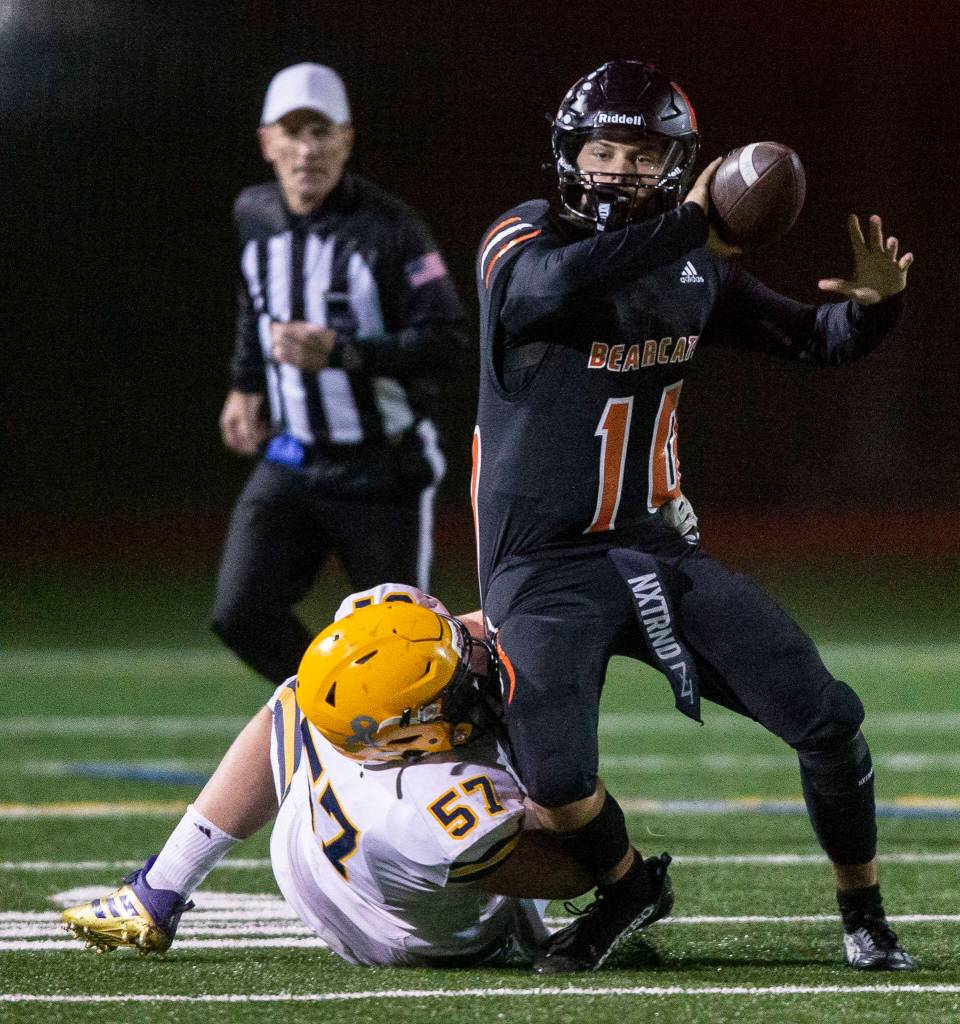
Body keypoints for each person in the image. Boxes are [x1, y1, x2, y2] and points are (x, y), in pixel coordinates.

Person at [473, 59, 915, 973]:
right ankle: (628, 887)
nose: (618, 170)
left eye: (642, 155)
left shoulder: (691, 269)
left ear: (678, 166)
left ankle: (864, 913)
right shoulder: (522, 237)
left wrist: (878, 311)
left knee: (827, 718)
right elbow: (545, 291)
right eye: (603, 150)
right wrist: (691, 222)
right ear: (569, 153)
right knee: (555, 780)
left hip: (653, 551)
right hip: (544, 567)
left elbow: (814, 338)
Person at [62, 585, 622, 968]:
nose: (474, 667)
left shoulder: (372, 666)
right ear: (408, 738)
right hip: (412, 939)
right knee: (556, 795)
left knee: (296, 696)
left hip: (303, 856)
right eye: (449, 690)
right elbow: (572, 876)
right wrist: (560, 792)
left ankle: (160, 887)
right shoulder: (438, 805)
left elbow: (458, 630)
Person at [212, 63, 467, 684]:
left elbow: (447, 343)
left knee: (401, 653)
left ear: (346, 141)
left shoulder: (393, 231)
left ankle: (438, 734)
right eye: (293, 132)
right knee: (241, 613)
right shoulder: (254, 214)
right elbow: (255, 302)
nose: (308, 149)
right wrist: (245, 383)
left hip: (382, 466)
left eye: (321, 132)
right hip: (293, 457)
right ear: (267, 142)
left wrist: (344, 353)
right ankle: (330, 709)